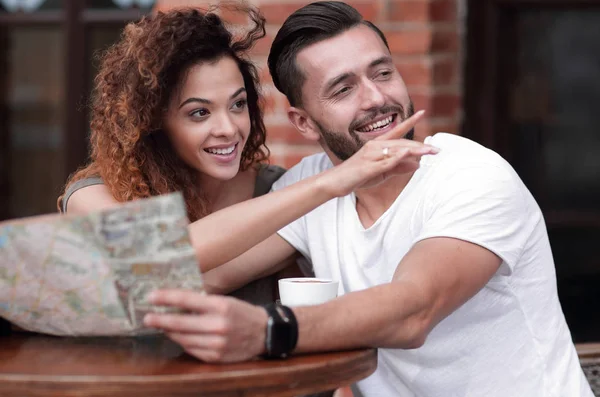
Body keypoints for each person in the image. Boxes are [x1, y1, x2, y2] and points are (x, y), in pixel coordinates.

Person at [142, 1, 593, 396]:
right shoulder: (315, 184)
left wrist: (268, 331)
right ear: (303, 123)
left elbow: (413, 310)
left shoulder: (471, 174)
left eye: (382, 73)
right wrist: (333, 183)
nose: (377, 98)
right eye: (343, 89)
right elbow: (191, 273)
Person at [57, 5, 299, 305]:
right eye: (200, 112)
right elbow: (166, 269)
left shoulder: (277, 190)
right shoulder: (94, 197)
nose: (228, 128)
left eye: (238, 105)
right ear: (153, 123)